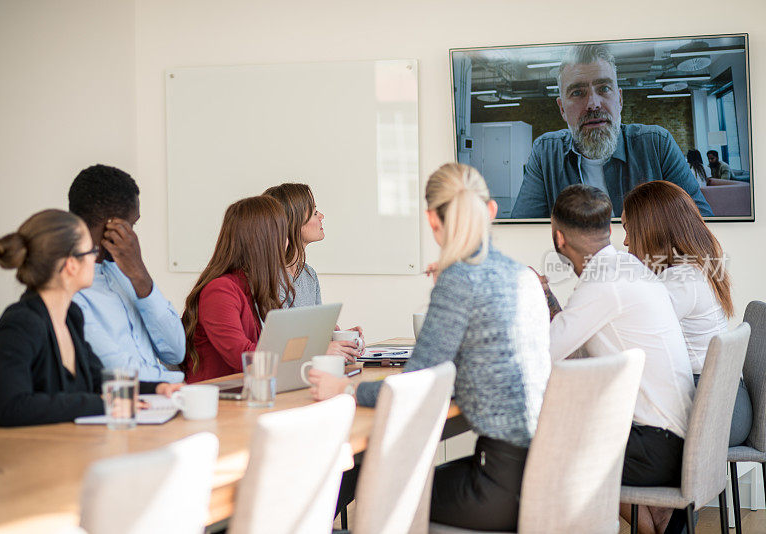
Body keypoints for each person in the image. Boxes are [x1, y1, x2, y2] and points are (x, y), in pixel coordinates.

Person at [308, 163, 551, 531]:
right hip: (539, 476)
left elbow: (413, 388)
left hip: (498, 489)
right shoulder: (522, 276)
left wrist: (344, 388)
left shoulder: (460, 279)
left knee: (372, 480)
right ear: (491, 211)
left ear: (431, 220)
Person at [540, 184, 695, 534]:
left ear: (559, 238)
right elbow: (574, 352)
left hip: (655, 446)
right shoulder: (625, 268)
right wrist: (549, 297)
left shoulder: (603, 282)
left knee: (543, 452)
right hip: (676, 439)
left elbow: (543, 354)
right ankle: (656, 525)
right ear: (609, 230)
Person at [0, 210, 181, 433]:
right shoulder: (18, 325)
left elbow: (96, 380)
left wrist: (157, 388)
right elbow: (12, 408)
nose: (95, 258)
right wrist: (104, 404)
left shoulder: (71, 316)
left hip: (54, 451)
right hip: (7, 460)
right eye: (91, 251)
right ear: (71, 264)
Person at [511, 44, 713, 218]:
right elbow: (523, 232)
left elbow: (701, 224)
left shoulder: (657, 144)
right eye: (577, 92)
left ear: (620, 99)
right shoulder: (546, 152)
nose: (593, 104)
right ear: (562, 108)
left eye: (604, 88)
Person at [622, 180, 752, 446]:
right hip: (725, 403)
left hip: (716, 411)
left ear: (651, 229)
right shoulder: (692, 269)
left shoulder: (681, 280)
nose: (624, 241)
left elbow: (629, 335)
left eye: (628, 229)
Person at [68, 164, 186, 382]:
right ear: (113, 226)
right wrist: (180, 384)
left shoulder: (127, 272)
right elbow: (119, 373)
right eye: (132, 224)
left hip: (161, 403)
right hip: (124, 406)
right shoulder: (69, 290)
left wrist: (140, 275)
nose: (133, 232)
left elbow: (175, 351)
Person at [182, 196, 291, 383]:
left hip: (244, 393)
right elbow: (243, 357)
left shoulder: (251, 288)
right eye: (283, 235)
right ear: (265, 241)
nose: (287, 242)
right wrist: (310, 355)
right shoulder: (220, 290)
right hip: (219, 401)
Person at [263, 183, 363, 361]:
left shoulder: (309, 275)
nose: (322, 216)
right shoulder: (267, 278)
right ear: (293, 222)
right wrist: (323, 347)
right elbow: (277, 346)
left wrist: (339, 339)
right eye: (315, 212)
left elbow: (313, 337)